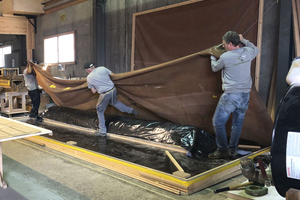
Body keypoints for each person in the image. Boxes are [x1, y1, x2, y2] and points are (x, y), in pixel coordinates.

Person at [208, 31, 259, 159]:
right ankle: (232, 150)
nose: (223, 46)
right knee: (237, 124)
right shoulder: (248, 51)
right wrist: (244, 39)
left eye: (224, 44)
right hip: (245, 96)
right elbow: (256, 49)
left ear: (230, 44)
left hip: (231, 96)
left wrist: (212, 56)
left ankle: (222, 150)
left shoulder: (226, 57)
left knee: (218, 122)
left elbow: (214, 68)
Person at [84, 62, 138, 137]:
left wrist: (97, 85)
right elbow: (113, 75)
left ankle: (102, 132)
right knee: (115, 103)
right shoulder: (102, 68)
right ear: (93, 67)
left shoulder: (89, 78)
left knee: (99, 110)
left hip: (105, 94)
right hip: (113, 90)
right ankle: (131, 110)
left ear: (87, 70)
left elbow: (93, 91)